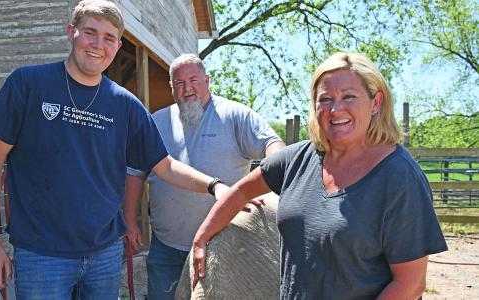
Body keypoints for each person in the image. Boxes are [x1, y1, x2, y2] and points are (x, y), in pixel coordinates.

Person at [0, 1, 229, 299]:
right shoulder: (28, 84)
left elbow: (165, 165)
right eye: (90, 33)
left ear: (117, 45)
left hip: (105, 255)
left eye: (109, 38)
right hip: (42, 255)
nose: (98, 44)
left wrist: (216, 187)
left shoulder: (126, 105)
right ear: (72, 33)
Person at [191, 52, 448, 299]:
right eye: (325, 99)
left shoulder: (399, 176)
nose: (336, 109)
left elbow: (410, 284)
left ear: (376, 102)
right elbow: (241, 191)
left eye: (349, 96)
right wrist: (201, 238)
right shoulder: (298, 159)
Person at [134, 53, 285, 299]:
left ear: (207, 80)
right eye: (179, 83)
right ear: (171, 87)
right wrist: (130, 220)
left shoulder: (235, 115)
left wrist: (267, 185)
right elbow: (135, 173)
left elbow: (274, 147)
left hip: (225, 243)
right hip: (168, 244)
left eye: (193, 79)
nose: (187, 88)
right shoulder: (156, 121)